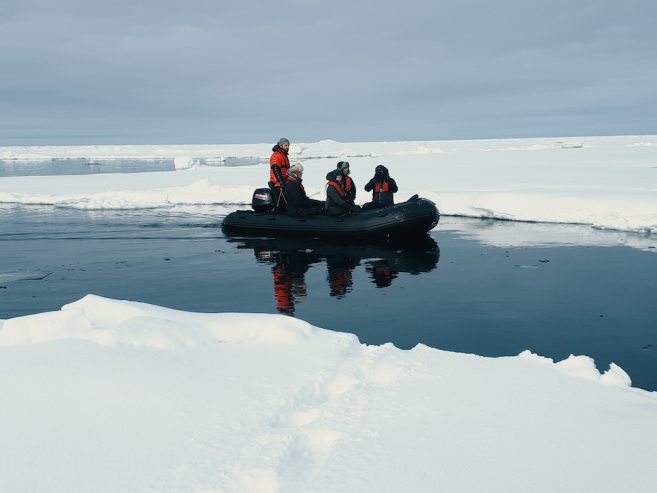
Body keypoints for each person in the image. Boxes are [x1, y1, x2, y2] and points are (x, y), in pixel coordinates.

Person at [269, 137, 291, 209]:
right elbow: (276, 168)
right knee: (280, 202)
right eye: (286, 145)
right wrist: (281, 181)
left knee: (286, 201)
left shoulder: (283, 154)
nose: (287, 147)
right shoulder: (276, 155)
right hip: (278, 183)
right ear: (281, 145)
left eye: (288, 145)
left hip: (284, 181)